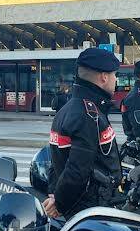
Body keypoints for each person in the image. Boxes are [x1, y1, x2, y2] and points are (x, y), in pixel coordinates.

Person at [43, 47, 121, 220]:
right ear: (104, 77)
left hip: (85, 205)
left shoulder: (68, 109)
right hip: (92, 209)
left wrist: (54, 194)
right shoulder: (88, 114)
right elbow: (77, 170)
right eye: (115, 75)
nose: (116, 80)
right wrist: (59, 204)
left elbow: (56, 161)